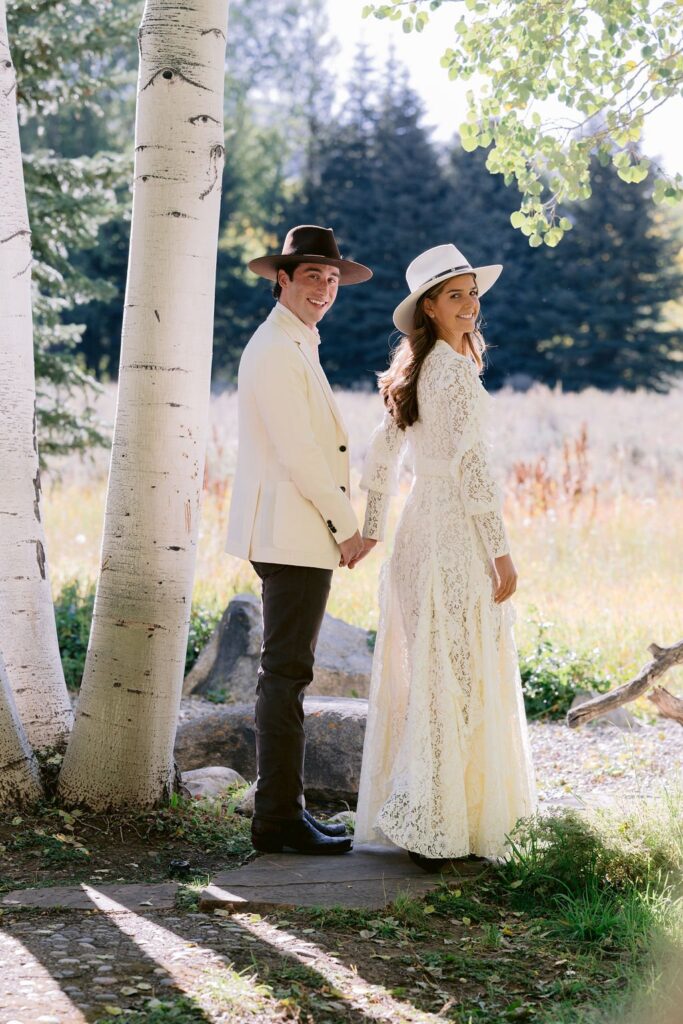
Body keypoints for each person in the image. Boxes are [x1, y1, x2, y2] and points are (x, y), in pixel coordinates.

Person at [352, 243, 536, 870]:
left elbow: (381, 455)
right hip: (451, 537)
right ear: (428, 308)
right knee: (454, 676)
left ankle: (433, 815)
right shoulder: (450, 372)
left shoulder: (424, 368)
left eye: (471, 293)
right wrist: (501, 551)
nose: (468, 304)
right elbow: (472, 466)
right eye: (453, 295)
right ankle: (436, 822)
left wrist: (374, 529)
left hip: (419, 532)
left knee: (436, 674)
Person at [226, 224, 372, 855]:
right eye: (311, 276)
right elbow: (299, 453)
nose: (324, 288)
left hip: (295, 529)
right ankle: (277, 819)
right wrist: (348, 525)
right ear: (281, 279)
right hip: (292, 531)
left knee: (289, 674)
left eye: (333, 278)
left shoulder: (298, 342)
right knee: (285, 676)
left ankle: (286, 809)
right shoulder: (277, 349)